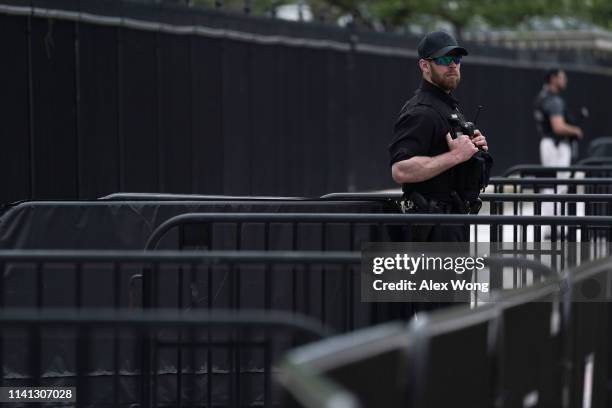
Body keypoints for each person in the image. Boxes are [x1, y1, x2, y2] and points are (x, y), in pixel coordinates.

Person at [388, 31, 492, 243]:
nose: (452, 65)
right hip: (432, 229)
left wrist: (472, 148)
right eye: (444, 59)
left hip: (452, 221)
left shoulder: (446, 106)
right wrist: (456, 156)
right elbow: (400, 170)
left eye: (457, 59)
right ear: (425, 66)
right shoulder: (421, 112)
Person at [533, 69, 583, 237]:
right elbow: (558, 126)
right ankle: (557, 227)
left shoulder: (542, 96)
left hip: (548, 143)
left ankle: (550, 226)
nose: (565, 80)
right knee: (558, 185)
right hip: (556, 145)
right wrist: (575, 130)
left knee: (550, 184)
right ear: (553, 79)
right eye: (562, 77)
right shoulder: (553, 100)